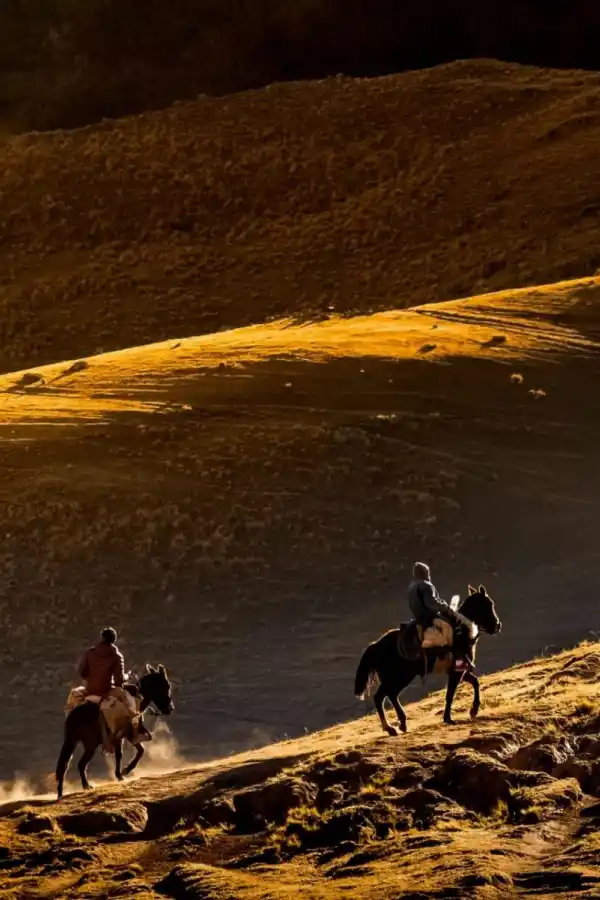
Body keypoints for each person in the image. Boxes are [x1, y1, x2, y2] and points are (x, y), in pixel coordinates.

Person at [78, 628, 150, 748]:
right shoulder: (116, 656)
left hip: (89, 689)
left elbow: (81, 672)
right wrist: (127, 676)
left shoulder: (89, 652)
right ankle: (135, 733)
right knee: (130, 702)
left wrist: (91, 679)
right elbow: (118, 681)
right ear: (114, 639)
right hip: (106, 690)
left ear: (102, 638)